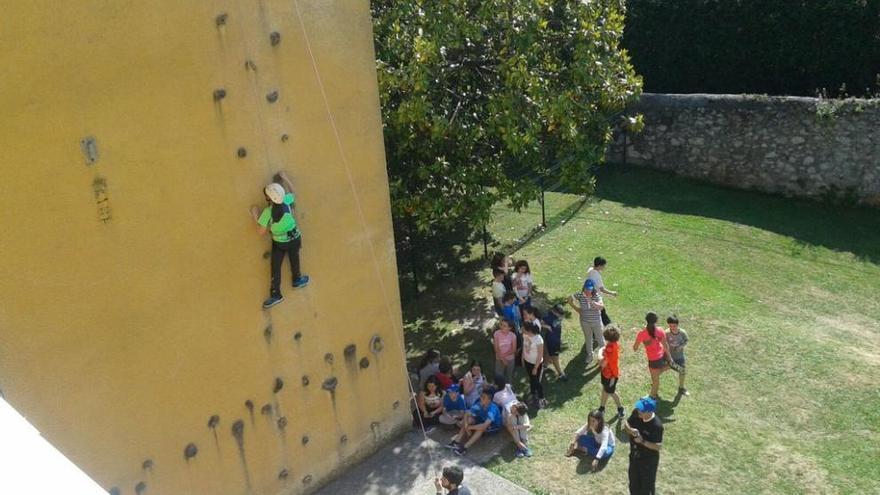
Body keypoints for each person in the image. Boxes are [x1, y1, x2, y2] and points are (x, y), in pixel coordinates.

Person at [249, 172, 309, 309]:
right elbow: (293, 192)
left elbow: (261, 232)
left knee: (275, 266)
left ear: (268, 199)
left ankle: (276, 294)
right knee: (295, 259)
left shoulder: (267, 213)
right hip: (295, 238)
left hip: (280, 243)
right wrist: (285, 178)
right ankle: (297, 279)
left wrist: (254, 215)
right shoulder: (287, 200)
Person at [624, 397, 663, 495]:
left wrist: (642, 442)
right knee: (633, 485)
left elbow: (658, 446)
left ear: (649, 411)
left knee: (646, 488)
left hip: (648, 462)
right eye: (638, 408)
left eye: (641, 410)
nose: (638, 411)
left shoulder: (657, 426)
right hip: (634, 457)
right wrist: (630, 430)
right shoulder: (636, 413)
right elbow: (626, 424)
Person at [451, 390, 503, 456]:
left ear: (489, 400)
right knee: (469, 419)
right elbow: (467, 413)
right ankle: (456, 441)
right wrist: (467, 426)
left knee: (480, 429)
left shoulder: (492, 409)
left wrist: (469, 427)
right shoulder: (479, 403)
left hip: (493, 426)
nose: (481, 398)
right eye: (481, 396)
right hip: (481, 420)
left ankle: (464, 448)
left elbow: (484, 426)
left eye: (483, 397)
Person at [633, 312, 671, 399]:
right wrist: (669, 357)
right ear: (656, 321)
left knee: (655, 381)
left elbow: (635, 348)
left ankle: (652, 396)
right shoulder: (660, 330)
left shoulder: (641, 334)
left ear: (646, 320)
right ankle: (657, 376)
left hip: (653, 361)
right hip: (662, 356)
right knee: (666, 368)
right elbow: (665, 345)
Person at [569, 279, 606, 366]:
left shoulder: (596, 296)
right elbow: (569, 299)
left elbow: (601, 307)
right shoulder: (580, 295)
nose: (587, 291)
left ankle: (604, 356)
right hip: (585, 322)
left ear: (593, 289)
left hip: (596, 322)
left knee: (600, 339)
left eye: (589, 289)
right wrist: (576, 309)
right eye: (586, 288)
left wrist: (591, 301)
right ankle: (590, 355)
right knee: (588, 338)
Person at [598, 324, 626, 419]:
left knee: (611, 392)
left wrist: (599, 355)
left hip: (611, 376)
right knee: (605, 390)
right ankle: (602, 408)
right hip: (607, 374)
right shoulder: (613, 345)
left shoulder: (609, 348)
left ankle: (620, 408)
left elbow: (603, 363)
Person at [521, 321, 546, 408]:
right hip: (527, 361)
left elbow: (540, 355)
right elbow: (524, 347)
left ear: (529, 330)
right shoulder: (525, 335)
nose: (521, 329)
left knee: (536, 381)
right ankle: (532, 394)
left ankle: (541, 398)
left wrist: (536, 367)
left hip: (536, 364)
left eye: (523, 328)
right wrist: (522, 358)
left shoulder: (539, 340)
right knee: (531, 379)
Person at [586, 256, 617, 325]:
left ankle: (608, 325)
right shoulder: (596, 275)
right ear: (599, 266)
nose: (604, 267)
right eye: (603, 266)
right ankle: (610, 327)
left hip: (590, 295)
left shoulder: (590, 270)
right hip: (595, 297)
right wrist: (612, 293)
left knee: (602, 313)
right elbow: (602, 289)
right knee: (602, 313)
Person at [542, 304, 567, 381]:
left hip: (556, 339)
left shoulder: (559, 316)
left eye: (561, 314)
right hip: (551, 340)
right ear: (554, 311)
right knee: (555, 357)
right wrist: (547, 326)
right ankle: (560, 373)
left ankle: (544, 365)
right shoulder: (548, 317)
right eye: (558, 313)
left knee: (547, 353)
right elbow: (540, 322)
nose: (560, 316)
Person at [666, 315, 690, 397]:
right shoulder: (666, 333)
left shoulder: (682, 332)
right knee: (659, 371)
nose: (672, 327)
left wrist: (681, 346)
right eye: (670, 326)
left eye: (674, 326)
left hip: (679, 357)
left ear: (678, 324)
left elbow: (686, 340)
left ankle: (681, 388)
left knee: (682, 371)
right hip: (668, 357)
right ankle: (655, 384)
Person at [493, 319, 517, 385]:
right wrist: (502, 358)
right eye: (501, 325)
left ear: (510, 328)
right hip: (499, 358)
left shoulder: (513, 336)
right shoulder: (496, 333)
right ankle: (499, 387)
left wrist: (504, 357)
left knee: (509, 375)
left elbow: (513, 349)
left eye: (504, 326)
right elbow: (496, 348)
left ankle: (509, 388)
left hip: (510, 359)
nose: (501, 327)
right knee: (498, 375)